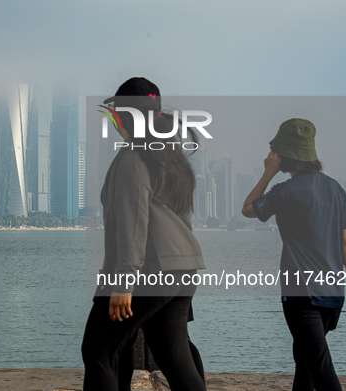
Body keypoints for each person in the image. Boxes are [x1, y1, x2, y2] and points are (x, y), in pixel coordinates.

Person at [81, 77, 207, 391]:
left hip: (146, 271)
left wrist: (122, 283)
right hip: (181, 271)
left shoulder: (132, 159)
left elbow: (130, 224)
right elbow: (183, 221)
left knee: (99, 351)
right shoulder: (170, 157)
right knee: (174, 356)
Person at [242, 118, 346, 391]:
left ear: (283, 157)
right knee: (305, 360)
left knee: (319, 365)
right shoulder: (335, 188)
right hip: (333, 294)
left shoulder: (285, 192)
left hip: (301, 294)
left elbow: (248, 209)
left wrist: (267, 173)